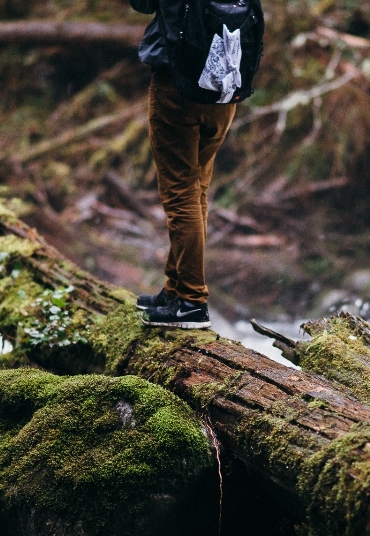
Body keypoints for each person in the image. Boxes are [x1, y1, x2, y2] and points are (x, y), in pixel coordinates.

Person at [130, 0, 238, 329]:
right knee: (196, 191)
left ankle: (191, 301)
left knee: (181, 193)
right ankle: (176, 289)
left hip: (177, 87)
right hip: (224, 89)